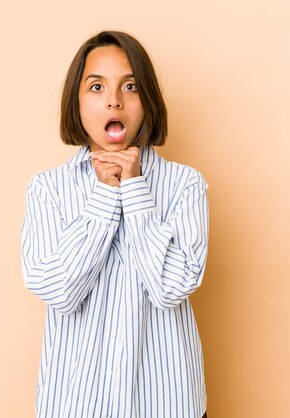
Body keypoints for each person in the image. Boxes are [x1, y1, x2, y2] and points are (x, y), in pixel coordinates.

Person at [21, 30, 209, 418]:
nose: (114, 100)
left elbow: (171, 289)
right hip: (75, 405)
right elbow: (59, 291)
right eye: (96, 86)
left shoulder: (185, 185)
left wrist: (136, 191)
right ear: (76, 103)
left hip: (168, 404)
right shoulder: (47, 190)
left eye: (130, 85)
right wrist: (105, 195)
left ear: (148, 100)